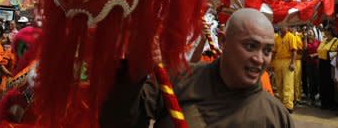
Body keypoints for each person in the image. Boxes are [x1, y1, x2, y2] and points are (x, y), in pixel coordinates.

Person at [100, 8, 295, 127]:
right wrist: (135, 71)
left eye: (268, 51)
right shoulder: (178, 79)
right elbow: (118, 120)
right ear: (223, 41)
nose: (259, 59)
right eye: (250, 46)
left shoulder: (276, 117)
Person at [272, 25, 296, 111]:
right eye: (281, 26)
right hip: (278, 61)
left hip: (287, 61)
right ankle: (282, 102)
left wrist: (292, 63)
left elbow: (294, 51)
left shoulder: (291, 37)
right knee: (279, 83)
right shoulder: (277, 38)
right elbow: (274, 52)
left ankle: (288, 105)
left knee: (288, 84)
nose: (282, 28)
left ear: (287, 27)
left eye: (284, 26)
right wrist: (272, 63)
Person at [317, 26, 338, 109]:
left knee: (330, 83)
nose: (325, 32)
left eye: (326, 30)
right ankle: (324, 102)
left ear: (330, 31)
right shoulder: (324, 40)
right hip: (322, 63)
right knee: (323, 83)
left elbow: (335, 53)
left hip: (330, 64)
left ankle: (331, 103)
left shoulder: (336, 41)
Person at [303, 27, 320, 106]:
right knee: (310, 80)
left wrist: (314, 55)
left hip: (316, 62)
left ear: (314, 33)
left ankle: (317, 95)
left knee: (317, 79)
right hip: (309, 63)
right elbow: (305, 48)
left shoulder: (318, 42)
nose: (310, 33)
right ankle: (312, 98)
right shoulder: (306, 41)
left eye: (311, 32)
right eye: (308, 32)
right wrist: (305, 38)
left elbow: (320, 52)